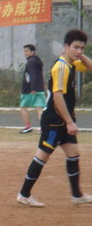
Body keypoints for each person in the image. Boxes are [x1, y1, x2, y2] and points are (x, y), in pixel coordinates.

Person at [17, 29, 92, 207]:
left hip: (63, 120)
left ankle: (77, 195)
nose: (79, 51)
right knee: (42, 156)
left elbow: (90, 66)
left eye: (82, 48)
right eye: (75, 47)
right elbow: (58, 97)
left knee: (73, 154)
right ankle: (24, 194)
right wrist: (69, 122)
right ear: (66, 46)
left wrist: (79, 54)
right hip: (54, 121)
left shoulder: (72, 63)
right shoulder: (61, 67)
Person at [19, 43, 46, 134]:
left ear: (32, 52)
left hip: (29, 90)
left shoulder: (31, 61)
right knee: (39, 107)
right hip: (39, 88)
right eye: (24, 51)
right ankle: (43, 127)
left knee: (23, 107)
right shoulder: (37, 61)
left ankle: (28, 127)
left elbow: (32, 75)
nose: (25, 53)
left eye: (27, 51)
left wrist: (33, 88)